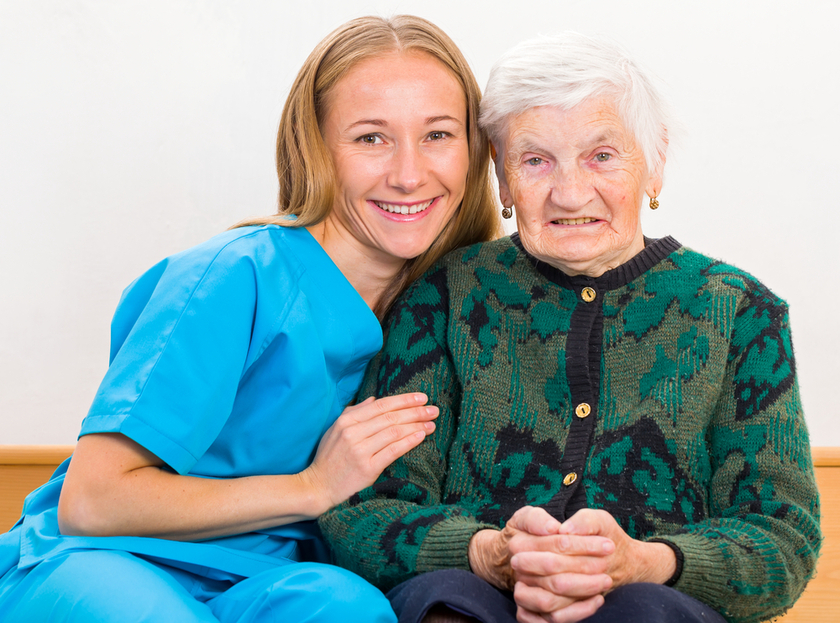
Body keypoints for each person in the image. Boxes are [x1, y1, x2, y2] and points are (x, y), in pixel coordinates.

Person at [0, 15, 499, 623]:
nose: (409, 173)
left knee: (354, 611)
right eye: (371, 138)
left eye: (438, 135)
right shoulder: (233, 277)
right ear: (316, 149)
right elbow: (93, 501)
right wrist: (313, 487)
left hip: (273, 578)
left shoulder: (451, 305)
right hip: (107, 558)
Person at [320, 32, 821, 623]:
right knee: (447, 603)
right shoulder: (445, 295)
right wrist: (489, 553)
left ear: (654, 163)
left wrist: (645, 561)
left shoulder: (740, 312)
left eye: (602, 155)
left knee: (640, 609)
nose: (571, 192)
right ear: (502, 181)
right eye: (535, 161)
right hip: (468, 597)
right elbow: (364, 509)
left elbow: (782, 541)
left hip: (656, 602)